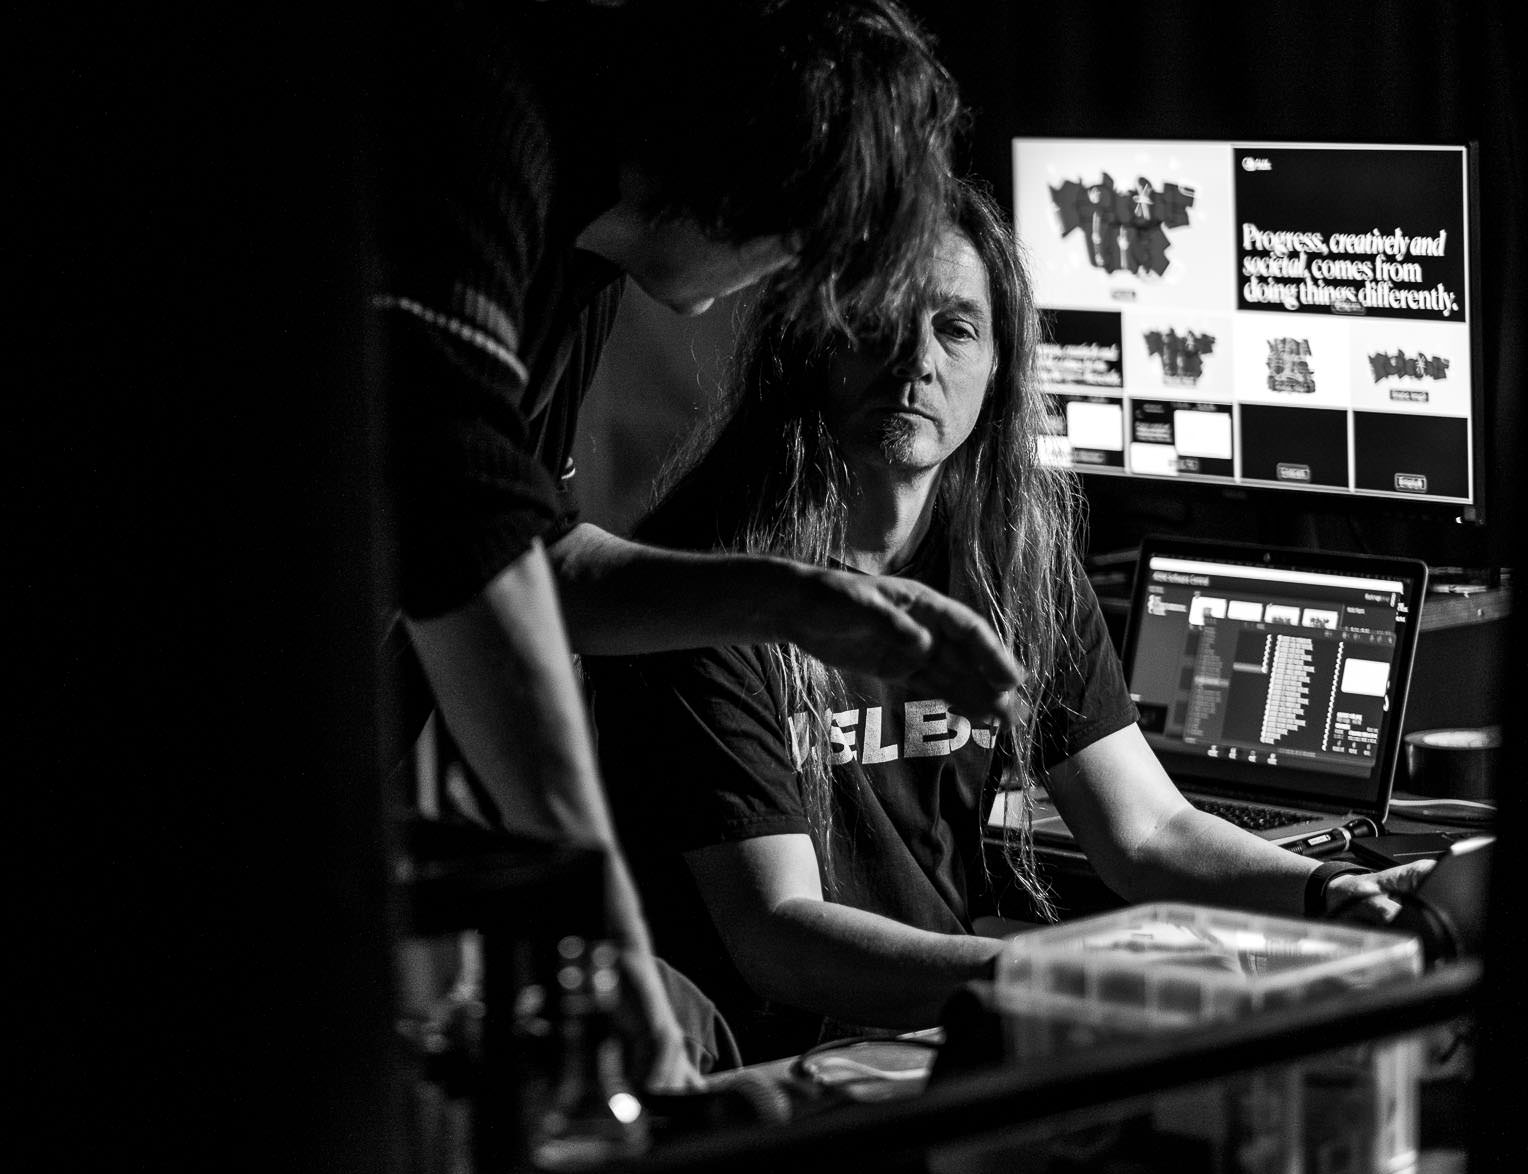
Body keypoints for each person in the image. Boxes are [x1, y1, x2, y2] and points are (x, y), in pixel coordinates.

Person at [583, 177, 1434, 1061]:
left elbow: (1148, 831)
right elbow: (781, 935)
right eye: (877, 320)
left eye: (956, 328)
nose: (916, 361)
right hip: (753, 1079)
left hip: (926, 1051)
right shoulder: (711, 594)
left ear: (1000, 367)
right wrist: (1065, 978)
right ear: (808, 340)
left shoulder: (1012, 560)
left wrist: (1330, 893)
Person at [371, 0, 1030, 1090]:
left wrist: (792, 603)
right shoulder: (478, 124)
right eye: (809, 246)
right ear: (763, 167)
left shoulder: (573, 261)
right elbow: (457, 526)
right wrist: (608, 938)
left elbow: (532, 560)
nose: (787, 279)